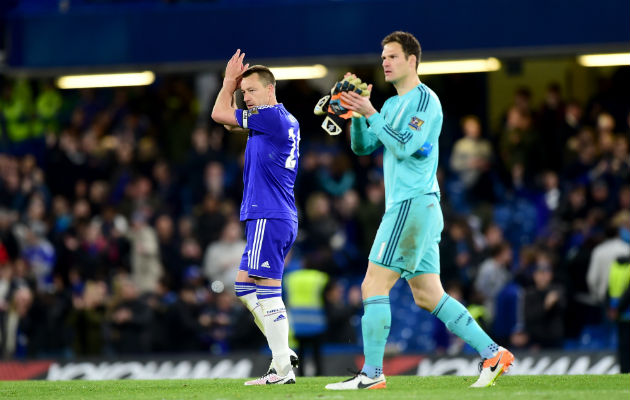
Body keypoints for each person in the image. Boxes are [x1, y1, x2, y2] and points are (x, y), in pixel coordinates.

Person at [325, 32, 513, 390]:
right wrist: (356, 113)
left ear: (412, 61)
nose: (385, 62)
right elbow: (364, 147)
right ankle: (493, 353)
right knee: (428, 294)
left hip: (411, 204)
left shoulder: (426, 100)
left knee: (372, 284)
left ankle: (372, 374)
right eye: (383, 57)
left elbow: (406, 147)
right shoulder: (392, 106)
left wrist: (371, 112)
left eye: (393, 56)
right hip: (417, 207)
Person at [211, 50, 300, 385]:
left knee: (267, 289)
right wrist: (234, 89)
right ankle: (282, 355)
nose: (245, 97)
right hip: (276, 215)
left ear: (270, 90)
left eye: (251, 91)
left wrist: (228, 81)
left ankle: (281, 364)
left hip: (269, 215)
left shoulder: (271, 118)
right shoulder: (279, 121)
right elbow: (226, 121)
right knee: (245, 286)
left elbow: (218, 112)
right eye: (243, 91)